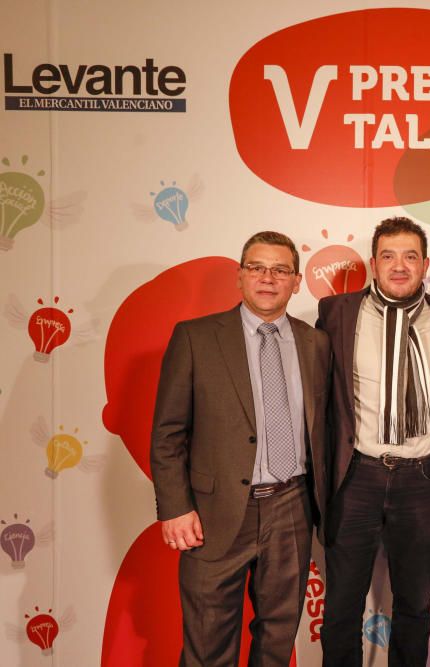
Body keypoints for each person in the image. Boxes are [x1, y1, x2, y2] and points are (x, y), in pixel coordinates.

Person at [150, 231, 331, 665]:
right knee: (209, 642)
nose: (267, 278)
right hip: (214, 514)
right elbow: (168, 432)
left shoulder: (315, 343)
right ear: (240, 276)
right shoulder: (195, 337)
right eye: (256, 267)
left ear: (296, 280)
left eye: (280, 270)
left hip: (292, 506)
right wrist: (175, 507)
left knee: (277, 638)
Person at [316, 216, 430, 667]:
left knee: (414, 607)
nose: (399, 266)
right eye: (388, 256)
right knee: (341, 607)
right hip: (357, 474)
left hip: (423, 477)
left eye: (410, 256)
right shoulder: (336, 313)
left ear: (425, 265)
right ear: (373, 265)